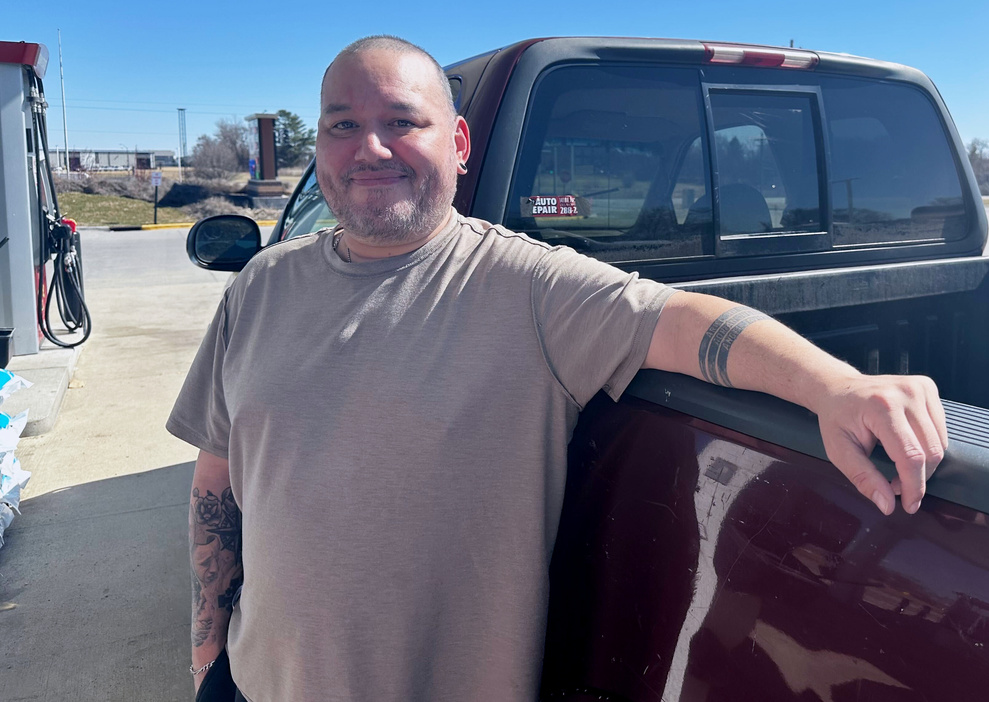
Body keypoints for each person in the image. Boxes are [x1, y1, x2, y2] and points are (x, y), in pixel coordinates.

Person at [168, 35, 947, 702]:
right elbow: (218, 475)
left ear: (460, 144)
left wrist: (835, 385)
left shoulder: (528, 288)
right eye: (344, 125)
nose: (370, 147)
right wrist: (209, 654)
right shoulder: (262, 287)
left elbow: (681, 320)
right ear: (321, 148)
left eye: (402, 122)